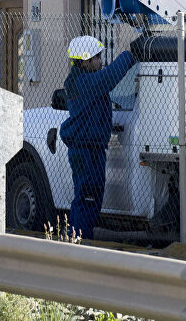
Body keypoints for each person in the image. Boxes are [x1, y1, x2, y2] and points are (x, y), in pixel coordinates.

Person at [60, 35, 136, 240]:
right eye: (97, 58)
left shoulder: (80, 80)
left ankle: (73, 240)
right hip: (87, 150)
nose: (100, 62)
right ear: (85, 61)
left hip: (86, 148)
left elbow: (106, 77)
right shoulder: (84, 82)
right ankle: (80, 243)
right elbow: (109, 78)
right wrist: (129, 55)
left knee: (83, 197)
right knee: (88, 198)